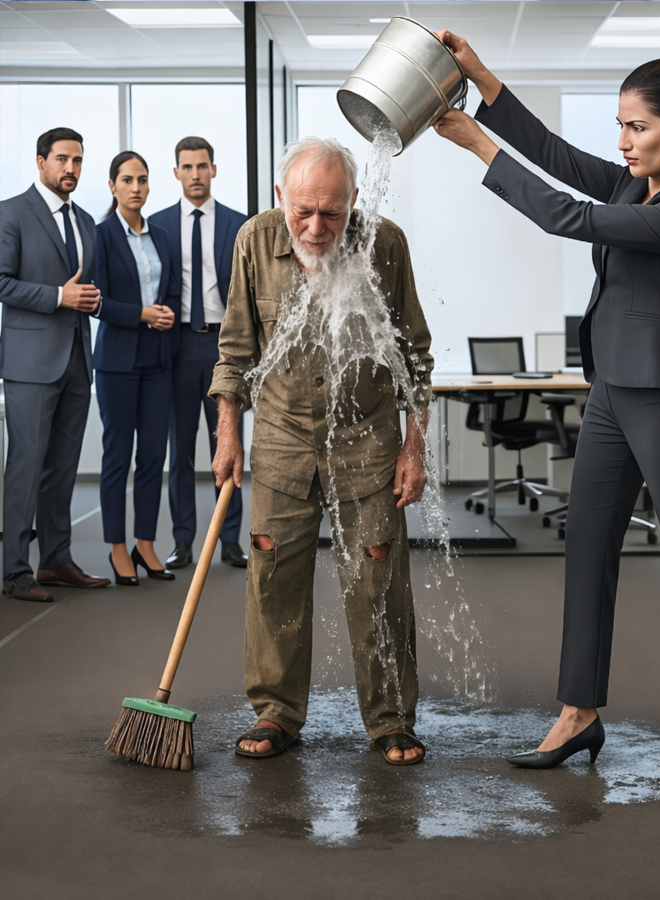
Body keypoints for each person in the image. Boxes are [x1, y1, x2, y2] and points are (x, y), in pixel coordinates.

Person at [434, 34, 660, 788]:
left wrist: (477, 147)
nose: (623, 142)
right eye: (621, 125)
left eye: (638, 128)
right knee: (587, 546)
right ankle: (578, 712)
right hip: (611, 395)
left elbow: (568, 217)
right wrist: (484, 82)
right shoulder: (636, 185)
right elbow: (558, 157)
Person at [209, 138, 434, 764]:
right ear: (281, 196)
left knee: (379, 583)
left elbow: (414, 356)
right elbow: (235, 349)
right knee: (273, 580)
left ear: (354, 202)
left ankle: (391, 718)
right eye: (302, 210)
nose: (315, 226)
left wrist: (414, 448)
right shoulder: (255, 241)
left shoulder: (383, 243)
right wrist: (228, 432)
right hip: (282, 440)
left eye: (331, 214)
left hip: (367, 442)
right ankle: (276, 713)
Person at [0, 127, 110, 602]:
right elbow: (2, 282)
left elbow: (87, 288)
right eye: (62, 159)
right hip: (29, 364)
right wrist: (58, 296)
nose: (71, 169)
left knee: (62, 466)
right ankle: (14, 570)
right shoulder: (11, 213)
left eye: (78, 161)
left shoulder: (85, 220)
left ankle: (56, 559)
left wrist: (88, 300)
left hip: (75, 361)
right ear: (41, 162)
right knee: (25, 465)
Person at [149, 136, 248, 570]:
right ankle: (184, 540)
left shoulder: (239, 224)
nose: (195, 174)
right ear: (175, 172)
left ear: (213, 169)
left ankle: (229, 540)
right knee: (181, 450)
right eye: (186, 167)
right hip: (178, 346)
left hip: (224, 347)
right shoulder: (157, 225)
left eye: (202, 166)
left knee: (229, 444)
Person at [93, 151, 180, 586]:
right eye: (126, 180)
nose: (136, 187)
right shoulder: (101, 235)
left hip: (158, 362)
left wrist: (166, 313)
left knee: (152, 457)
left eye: (142, 180)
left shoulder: (162, 236)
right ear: (112, 186)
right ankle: (115, 548)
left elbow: (176, 291)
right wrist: (143, 314)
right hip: (117, 364)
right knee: (117, 458)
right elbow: (97, 302)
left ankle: (145, 543)